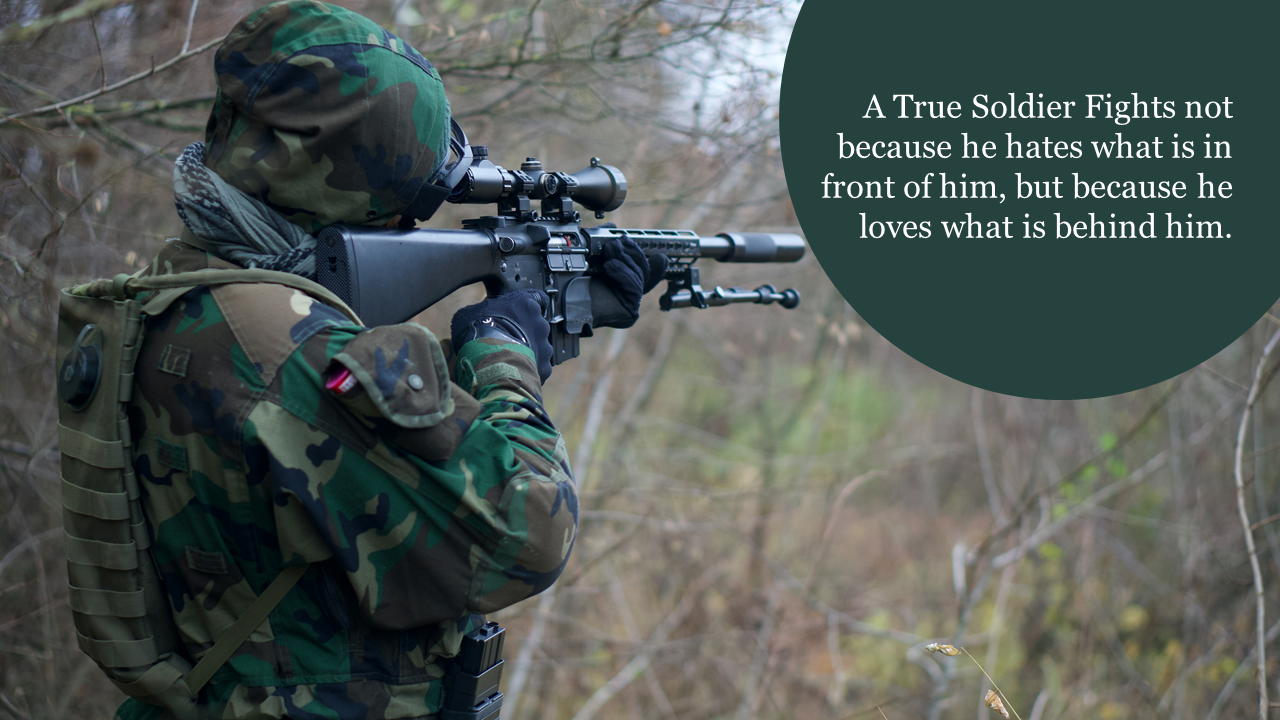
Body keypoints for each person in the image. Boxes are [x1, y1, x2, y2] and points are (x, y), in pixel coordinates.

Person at [115, 2, 660, 718]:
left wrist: (530, 327)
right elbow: (529, 533)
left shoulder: (180, 296)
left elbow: (334, 429)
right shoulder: (283, 351)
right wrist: (505, 356)